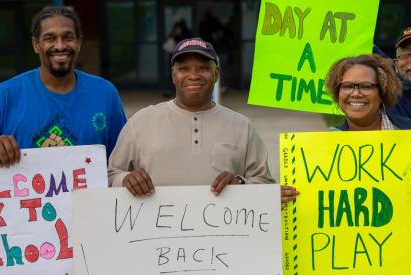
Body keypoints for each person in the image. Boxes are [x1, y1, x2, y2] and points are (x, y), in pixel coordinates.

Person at [0, 6, 127, 275]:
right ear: (36, 44)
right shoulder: (6, 95)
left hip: (89, 238)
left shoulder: (105, 94)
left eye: (68, 37)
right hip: (21, 245)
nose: (60, 46)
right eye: (50, 38)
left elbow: (122, 163)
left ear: (78, 41)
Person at [108, 37, 296, 203]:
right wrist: (125, 179)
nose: (194, 75)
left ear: (216, 74)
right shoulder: (141, 122)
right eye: (183, 69)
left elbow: (263, 182)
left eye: (204, 68)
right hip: (154, 238)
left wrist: (242, 185)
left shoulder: (241, 126)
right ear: (173, 76)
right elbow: (110, 175)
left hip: (224, 239)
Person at [326, 53, 411, 134]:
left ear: (382, 93)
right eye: (347, 86)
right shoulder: (325, 143)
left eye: (366, 86)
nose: (356, 94)